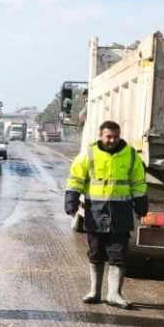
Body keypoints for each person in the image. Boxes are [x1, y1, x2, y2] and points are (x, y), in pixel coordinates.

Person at [64, 120, 148, 309]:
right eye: (108, 136)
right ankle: (95, 291)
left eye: (115, 136)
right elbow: (76, 179)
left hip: (121, 213)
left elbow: (138, 182)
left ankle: (114, 294)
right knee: (96, 252)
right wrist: (71, 201)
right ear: (101, 136)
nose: (112, 140)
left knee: (118, 253)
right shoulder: (88, 154)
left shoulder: (131, 155)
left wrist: (141, 203)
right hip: (96, 212)